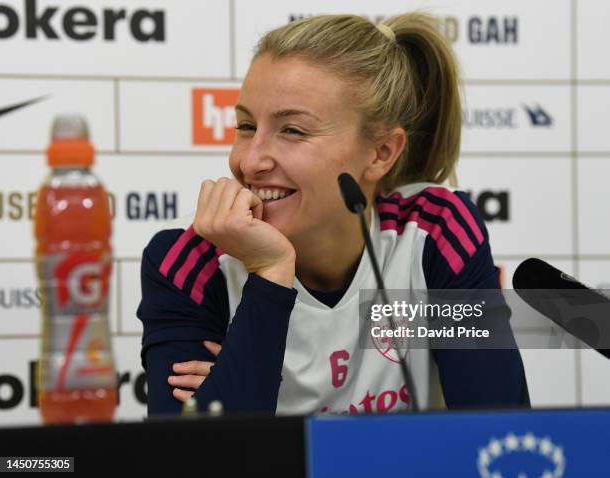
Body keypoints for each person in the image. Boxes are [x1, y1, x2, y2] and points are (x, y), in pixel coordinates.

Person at [137, 12, 530, 415]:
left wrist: (234, 380)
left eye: (292, 130)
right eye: (245, 126)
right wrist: (270, 270)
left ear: (381, 153)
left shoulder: (435, 233)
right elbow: (199, 461)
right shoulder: (188, 263)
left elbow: (496, 430)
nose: (250, 161)